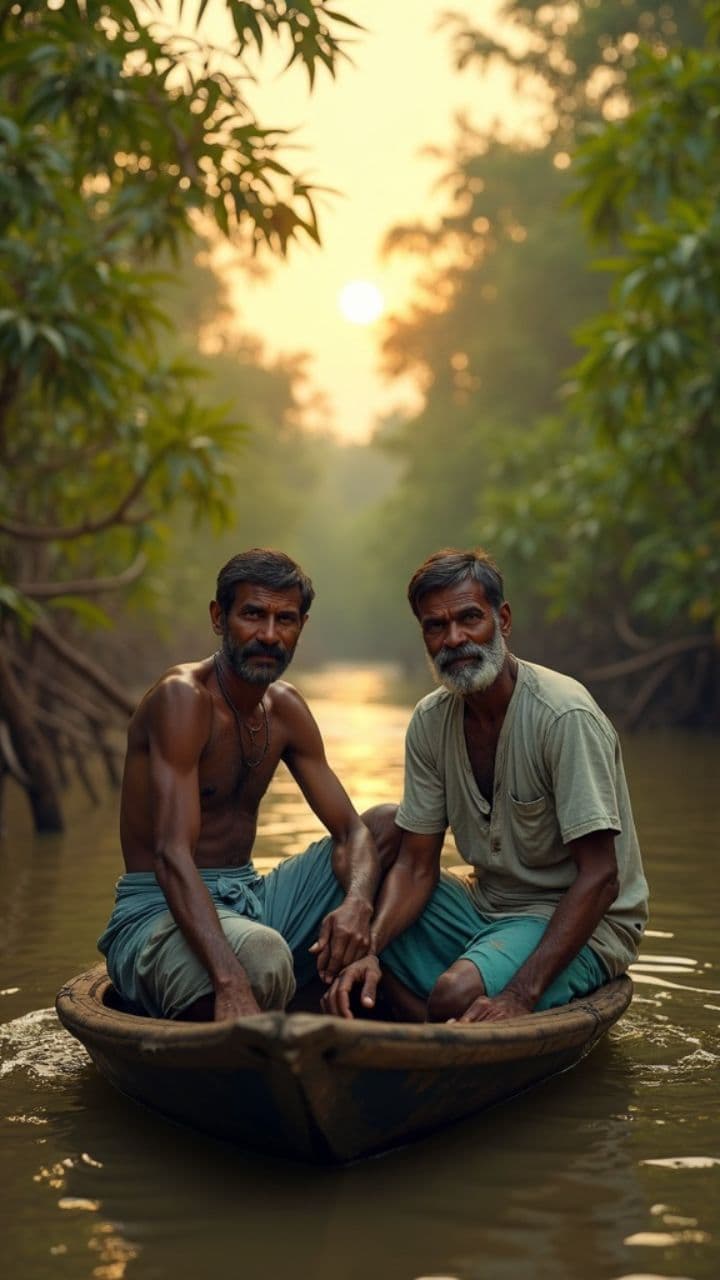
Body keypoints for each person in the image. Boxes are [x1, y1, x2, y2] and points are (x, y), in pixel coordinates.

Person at [323, 547, 649, 1023]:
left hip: (580, 917)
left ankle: (432, 1018)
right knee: (364, 863)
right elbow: (416, 867)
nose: (454, 639)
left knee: (454, 994)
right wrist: (370, 947)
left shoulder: (563, 716)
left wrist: (518, 995)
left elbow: (601, 878)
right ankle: (417, 1009)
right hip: (484, 905)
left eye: (469, 619)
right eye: (436, 626)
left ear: (503, 621)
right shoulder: (431, 721)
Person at [98, 548, 387, 1022]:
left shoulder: (285, 709)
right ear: (219, 617)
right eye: (253, 614)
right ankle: (253, 986)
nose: (268, 635)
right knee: (262, 956)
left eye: (284, 619)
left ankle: (357, 979)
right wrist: (230, 982)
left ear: (301, 627)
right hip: (157, 911)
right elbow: (172, 855)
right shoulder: (183, 699)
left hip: (249, 899)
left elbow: (352, 833)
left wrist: (357, 904)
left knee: (387, 829)